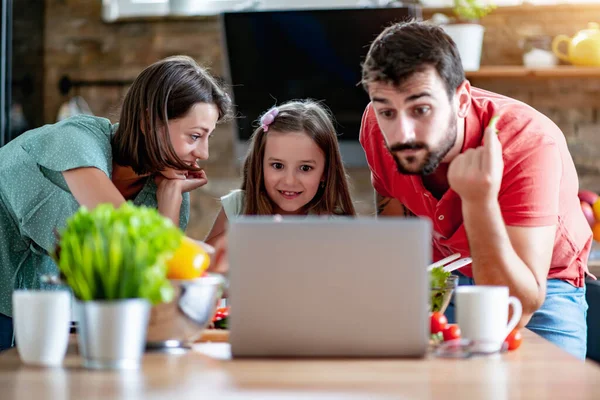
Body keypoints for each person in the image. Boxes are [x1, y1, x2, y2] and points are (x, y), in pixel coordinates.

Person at [359, 21, 592, 359]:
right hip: (443, 277)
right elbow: (393, 205)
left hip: (538, 287)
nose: (402, 132)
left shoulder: (527, 142)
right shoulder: (375, 124)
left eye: (421, 109)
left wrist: (479, 201)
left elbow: (518, 309)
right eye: (387, 111)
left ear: (462, 100)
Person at [0, 55, 231, 351]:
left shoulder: (163, 186)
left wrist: (170, 197)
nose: (205, 153)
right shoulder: (76, 140)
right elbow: (123, 230)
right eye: (195, 136)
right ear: (149, 121)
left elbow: (154, 278)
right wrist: (212, 255)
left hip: (35, 309)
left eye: (207, 137)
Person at [205, 100, 356, 264]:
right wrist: (243, 232)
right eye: (277, 166)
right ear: (260, 165)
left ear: (325, 172)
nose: (289, 181)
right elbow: (203, 265)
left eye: (305, 168)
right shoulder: (238, 206)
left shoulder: (338, 228)